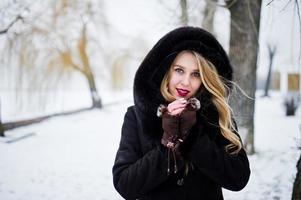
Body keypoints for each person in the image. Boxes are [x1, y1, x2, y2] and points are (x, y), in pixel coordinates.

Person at [112, 26, 250, 200]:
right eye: (179, 70)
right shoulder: (137, 116)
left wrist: (193, 138)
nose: (186, 82)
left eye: (196, 74)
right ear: (166, 71)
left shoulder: (217, 115)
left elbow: (239, 178)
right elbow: (125, 185)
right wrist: (168, 143)